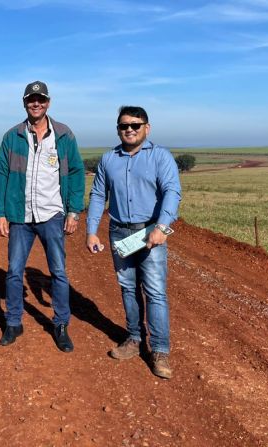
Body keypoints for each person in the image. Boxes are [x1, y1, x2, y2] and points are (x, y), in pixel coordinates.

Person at [86, 105, 181, 379]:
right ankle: (134, 339)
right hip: (119, 232)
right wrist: (91, 231)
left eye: (135, 125)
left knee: (154, 291)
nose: (129, 129)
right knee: (128, 288)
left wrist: (162, 227)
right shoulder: (108, 159)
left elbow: (172, 191)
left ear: (146, 128)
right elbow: (97, 196)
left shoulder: (160, 156)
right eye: (124, 126)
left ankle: (160, 350)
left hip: (150, 232)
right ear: (118, 129)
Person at [0, 81, 85, 352]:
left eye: (40, 99)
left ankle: (61, 324)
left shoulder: (64, 135)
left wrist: (74, 211)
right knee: (14, 271)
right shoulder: (13, 136)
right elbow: (1, 174)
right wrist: (0, 212)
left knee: (58, 272)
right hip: (20, 215)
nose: (36, 104)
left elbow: (77, 172)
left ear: (48, 102)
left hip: (52, 214)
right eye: (31, 99)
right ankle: (13, 322)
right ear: (24, 103)